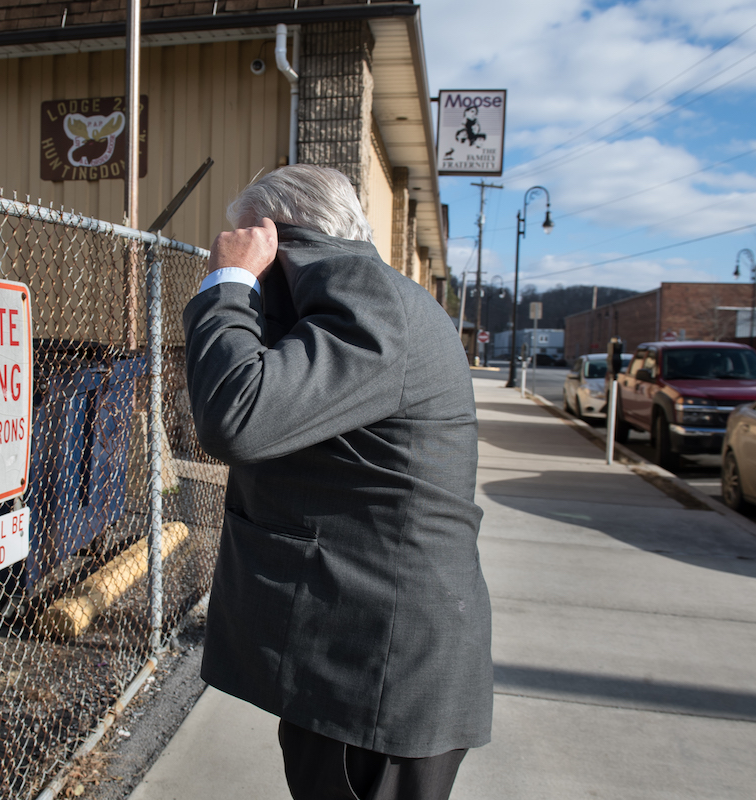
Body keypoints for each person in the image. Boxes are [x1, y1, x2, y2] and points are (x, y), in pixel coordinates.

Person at [182, 165, 492, 800]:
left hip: (379, 680)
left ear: (274, 237)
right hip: (362, 661)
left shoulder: (370, 307)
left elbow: (236, 417)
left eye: (247, 241)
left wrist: (228, 281)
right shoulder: (356, 302)